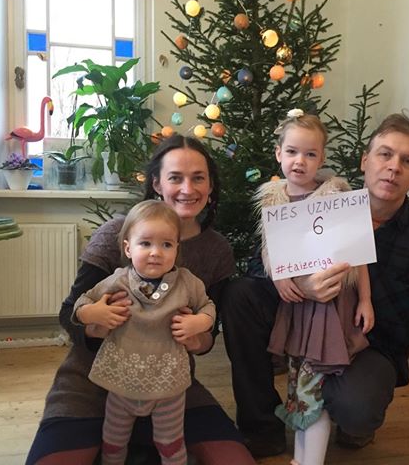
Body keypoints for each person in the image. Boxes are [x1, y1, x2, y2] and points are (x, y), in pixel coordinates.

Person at [221, 113, 409, 465]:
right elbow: (260, 265)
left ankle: (351, 419)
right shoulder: (321, 203)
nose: (394, 167)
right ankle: (262, 427)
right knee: (240, 295)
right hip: (303, 321)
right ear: (365, 161)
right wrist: (301, 285)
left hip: (371, 345)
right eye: (385, 155)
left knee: (356, 408)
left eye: (407, 161)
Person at [26, 135, 256, 465]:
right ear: (157, 183)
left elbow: (208, 333)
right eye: (175, 177)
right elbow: (70, 313)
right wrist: (94, 322)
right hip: (92, 382)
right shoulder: (118, 233)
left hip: (168, 384)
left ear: (210, 186)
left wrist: (198, 335)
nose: (187, 189)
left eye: (198, 178)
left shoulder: (216, 250)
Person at [254, 109, 374, 465]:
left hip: (330, 310)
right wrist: (279, 276)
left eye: (310, 154)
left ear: (321, 159)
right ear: (279, 153)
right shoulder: (273, 200)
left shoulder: (335, 195)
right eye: (292, 152)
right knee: (299, 385)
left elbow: (358, 254)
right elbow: (270, 252)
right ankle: (302, 458)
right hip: (299, 309)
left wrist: (366, 299)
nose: (299, 161)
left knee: (313, 389)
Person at [73, 200, 216, 464]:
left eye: (166, 245)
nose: (155, 253)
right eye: (145, 243)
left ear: (177, 248)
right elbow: (81, 303)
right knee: (113, 441)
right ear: (128, 248)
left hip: (168, 384)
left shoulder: (187, 283)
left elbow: (208, 307)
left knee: (170, 444)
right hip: (122, 381)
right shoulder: (118, 281)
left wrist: (199, 323)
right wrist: (94, 314)